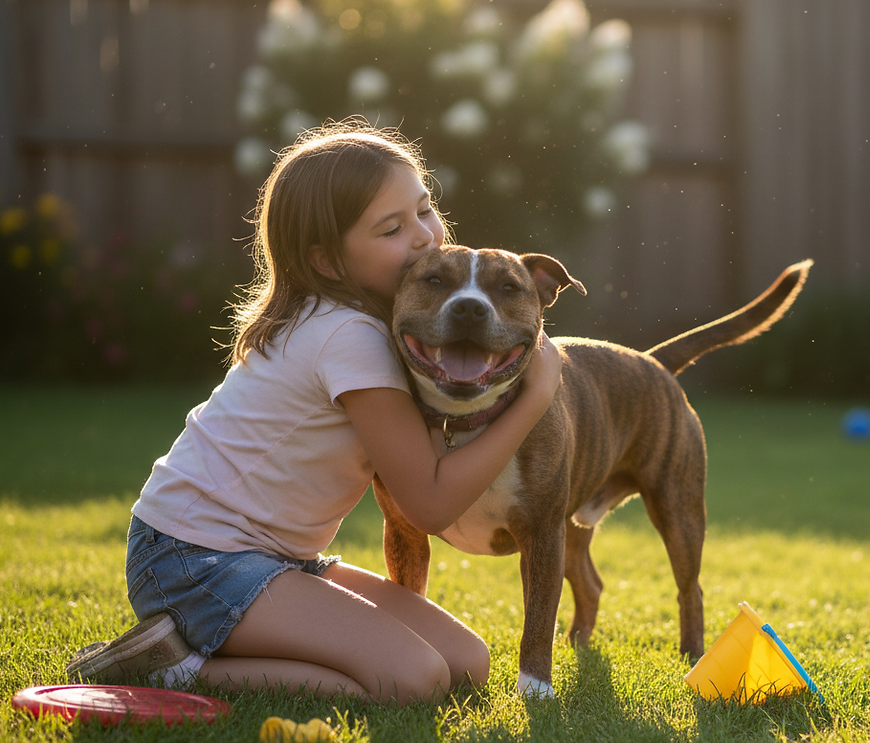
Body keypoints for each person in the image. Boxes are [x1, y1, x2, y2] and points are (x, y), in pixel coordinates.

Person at [67, 118, 562, 705]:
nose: (424, 237)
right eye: (392, 228)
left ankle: (235, 643)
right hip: (194, 559)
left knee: (467, 664)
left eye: (424, 210)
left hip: (273, 559)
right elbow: (429, 506)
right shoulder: (350, 338)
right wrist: (535, 398)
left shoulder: (377, 323)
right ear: (327, 262)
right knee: (415, 680)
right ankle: (173, 670)